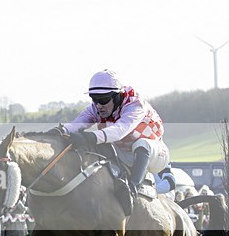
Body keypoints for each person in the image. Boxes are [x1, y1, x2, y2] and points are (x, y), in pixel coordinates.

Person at [61, 69, 170, 213]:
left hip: (155, 154)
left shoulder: (135, 104)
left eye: (104, 99)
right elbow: (77, 124)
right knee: (98, 147)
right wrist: (59, 131)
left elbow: (119, 131)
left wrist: (89, 137)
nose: (99, 105)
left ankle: (132, 190)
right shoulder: (97, 107)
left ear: (117, 96)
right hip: (123, 152)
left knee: (141, 144)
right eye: (94, 98)